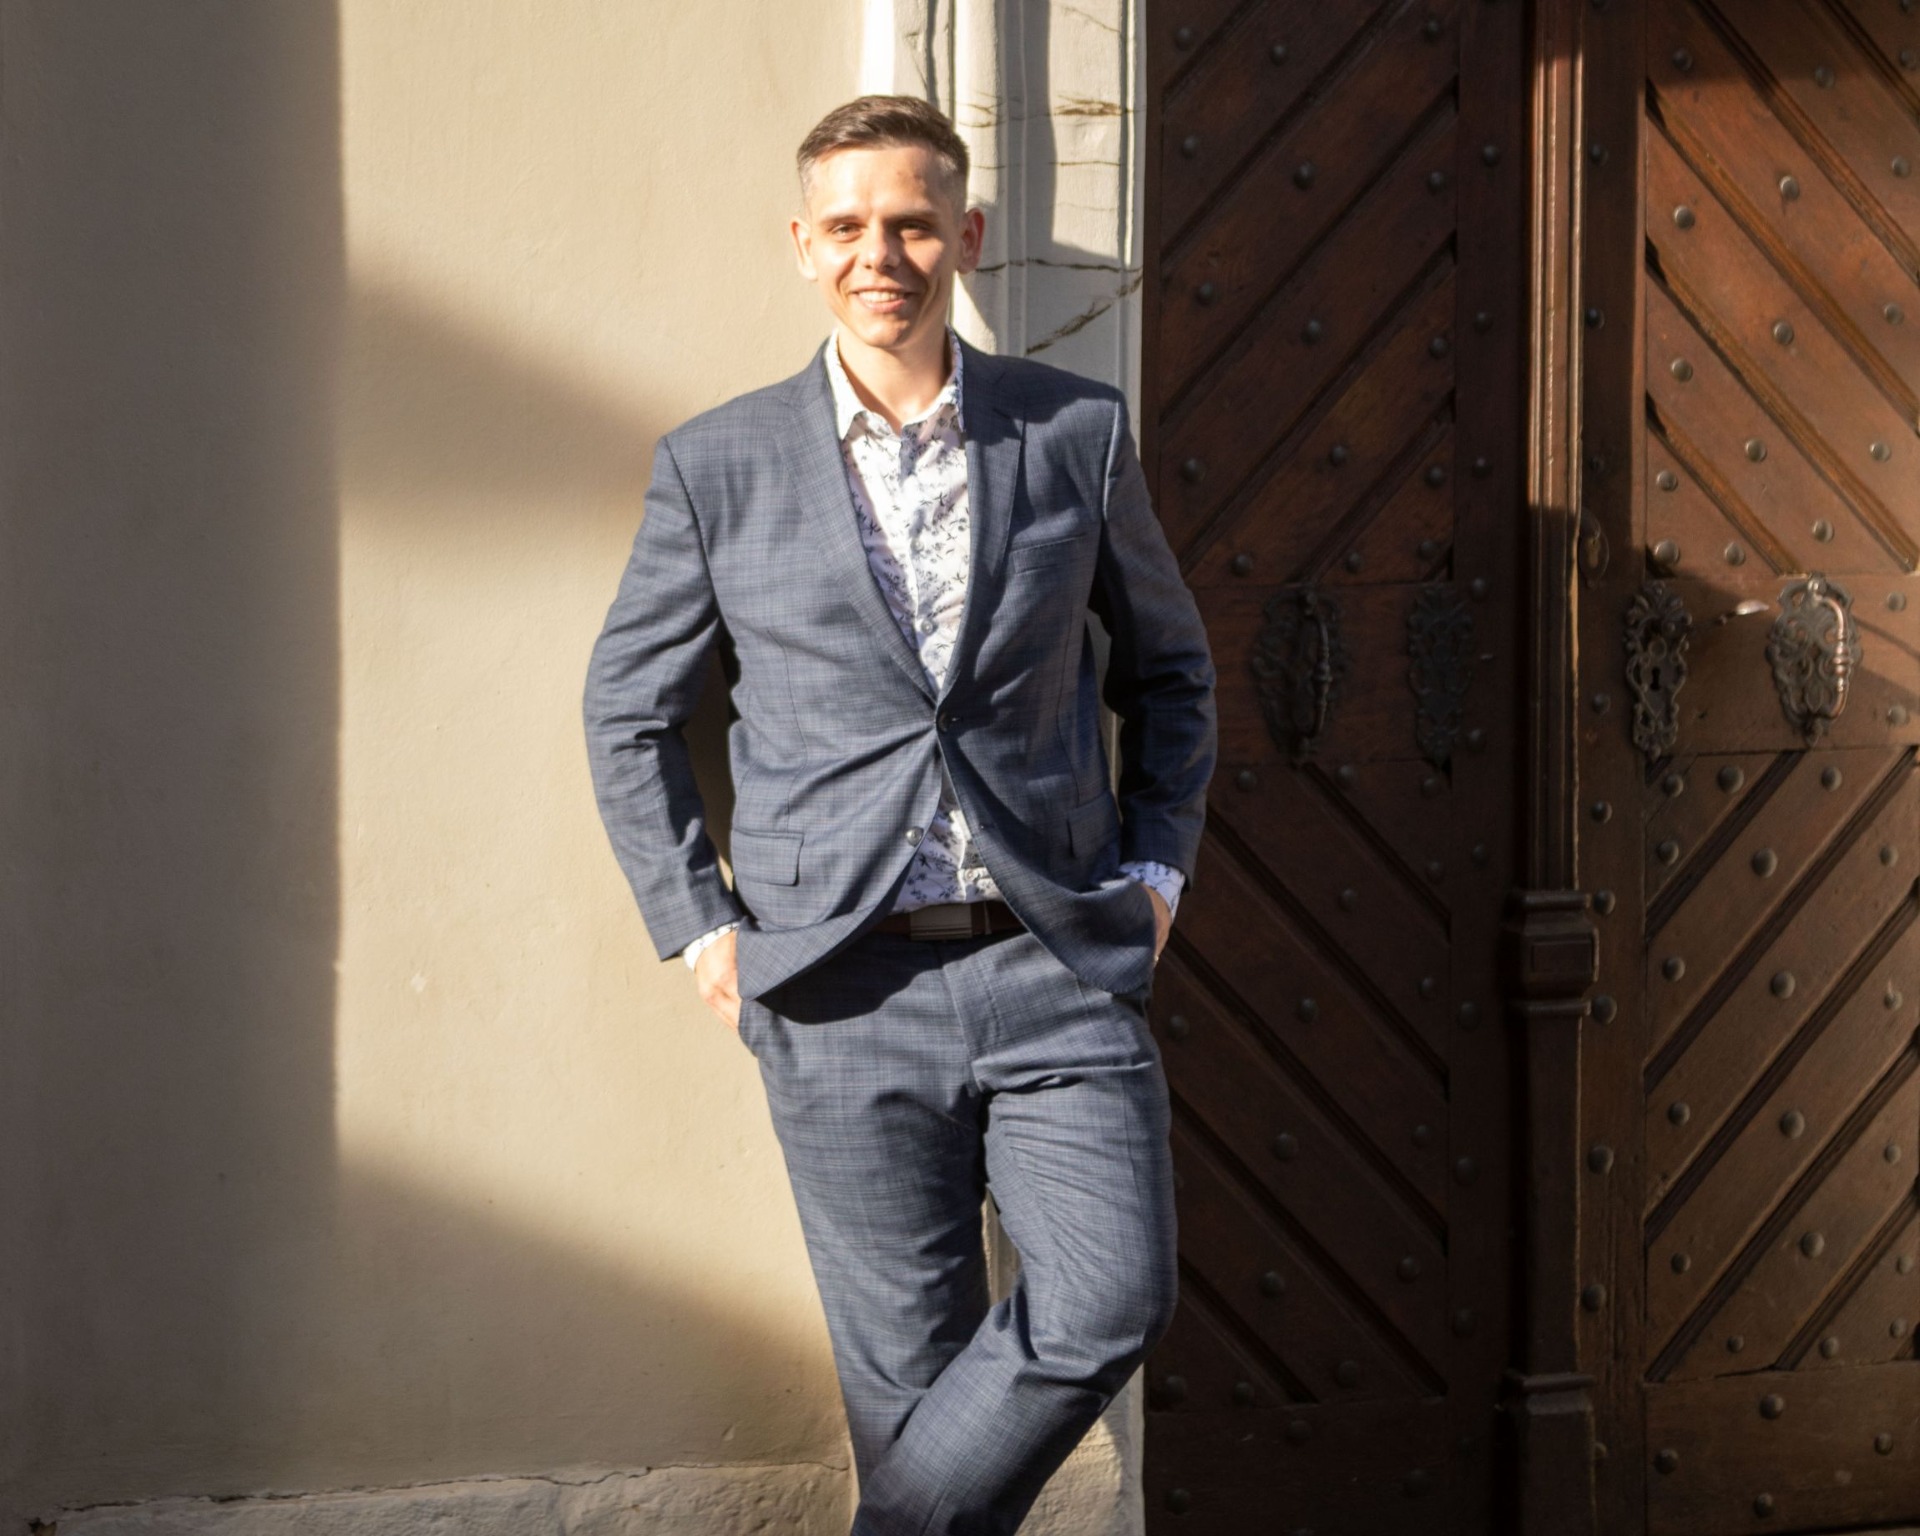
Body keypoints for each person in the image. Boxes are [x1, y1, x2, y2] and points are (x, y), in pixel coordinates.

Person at [583, 94, 1216, 1536]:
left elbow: (1172, 674)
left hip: (1054, 960)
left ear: (967, 236)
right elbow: (627, 711)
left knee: (1112, 1292)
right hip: (835, 982)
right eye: (851, 226)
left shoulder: (1072, 432)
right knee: (908, 1394)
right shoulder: (717, 465)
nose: (884, 254)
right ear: (803, 244)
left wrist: (1158, 873)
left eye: (915, 224)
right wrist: (700, 928)